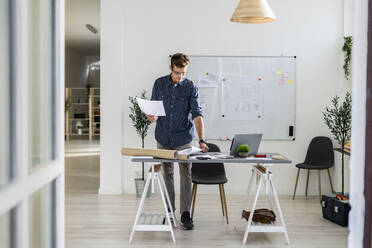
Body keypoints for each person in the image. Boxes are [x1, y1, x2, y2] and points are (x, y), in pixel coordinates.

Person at [147, 53, 208, 230]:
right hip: (163, 136)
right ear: (170, 69)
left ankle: (185, 214)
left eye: (183, 73)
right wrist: (152, 117)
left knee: (185, 172)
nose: (180, 76)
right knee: (167, 172)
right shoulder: (159, 83)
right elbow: (154, 110)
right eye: (176, 73)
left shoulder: (191, 87)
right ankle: (169, 211)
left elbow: (197, 114)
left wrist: (202, 139)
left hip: (183, 138)